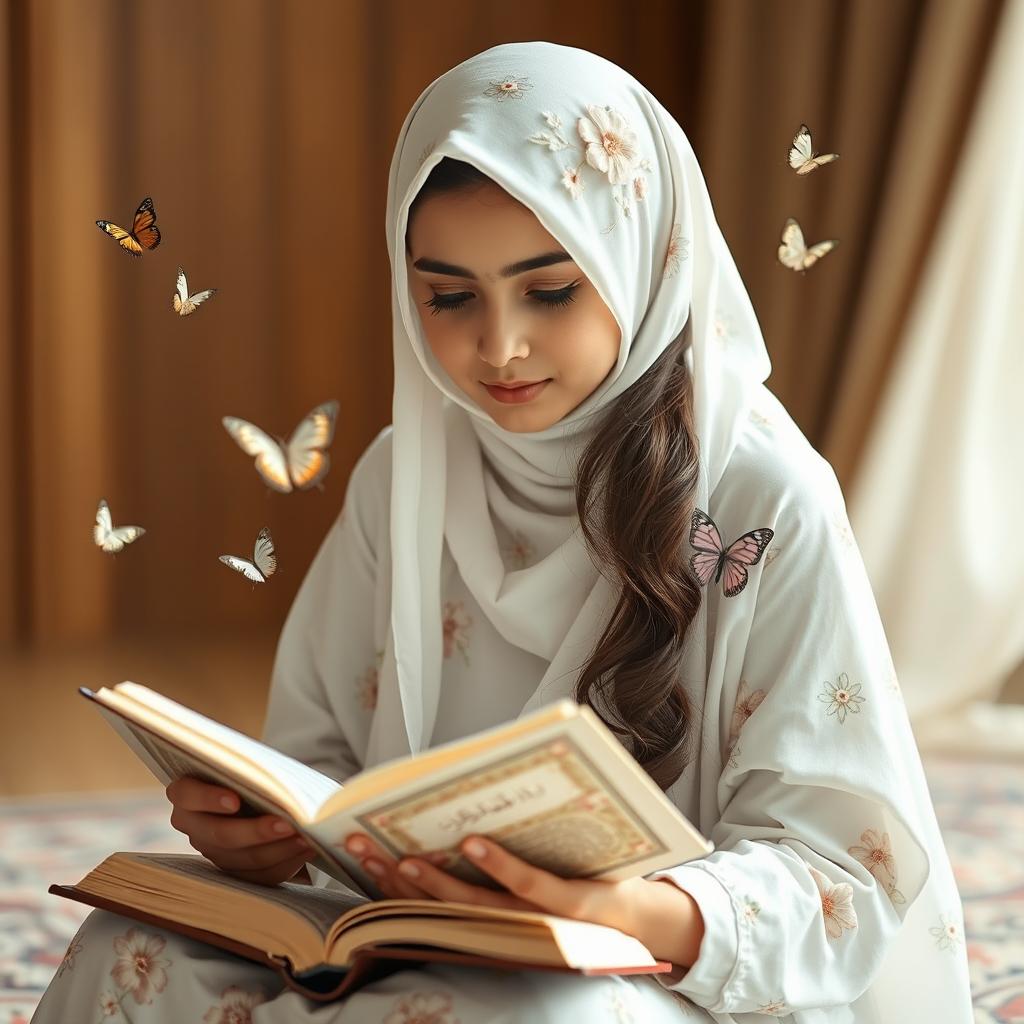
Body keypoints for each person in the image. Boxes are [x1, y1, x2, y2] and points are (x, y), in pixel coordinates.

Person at [31, 40, 973, 1023]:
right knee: (127, 946)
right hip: (414, 932)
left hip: (660, 968)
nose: (499, 345)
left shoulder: (766, 497)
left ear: (643, 259)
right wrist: (262, 836)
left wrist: (626, 909)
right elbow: (319, 764)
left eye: (550, 289)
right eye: (448, 296)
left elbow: (842, 870)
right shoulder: (408, 470)